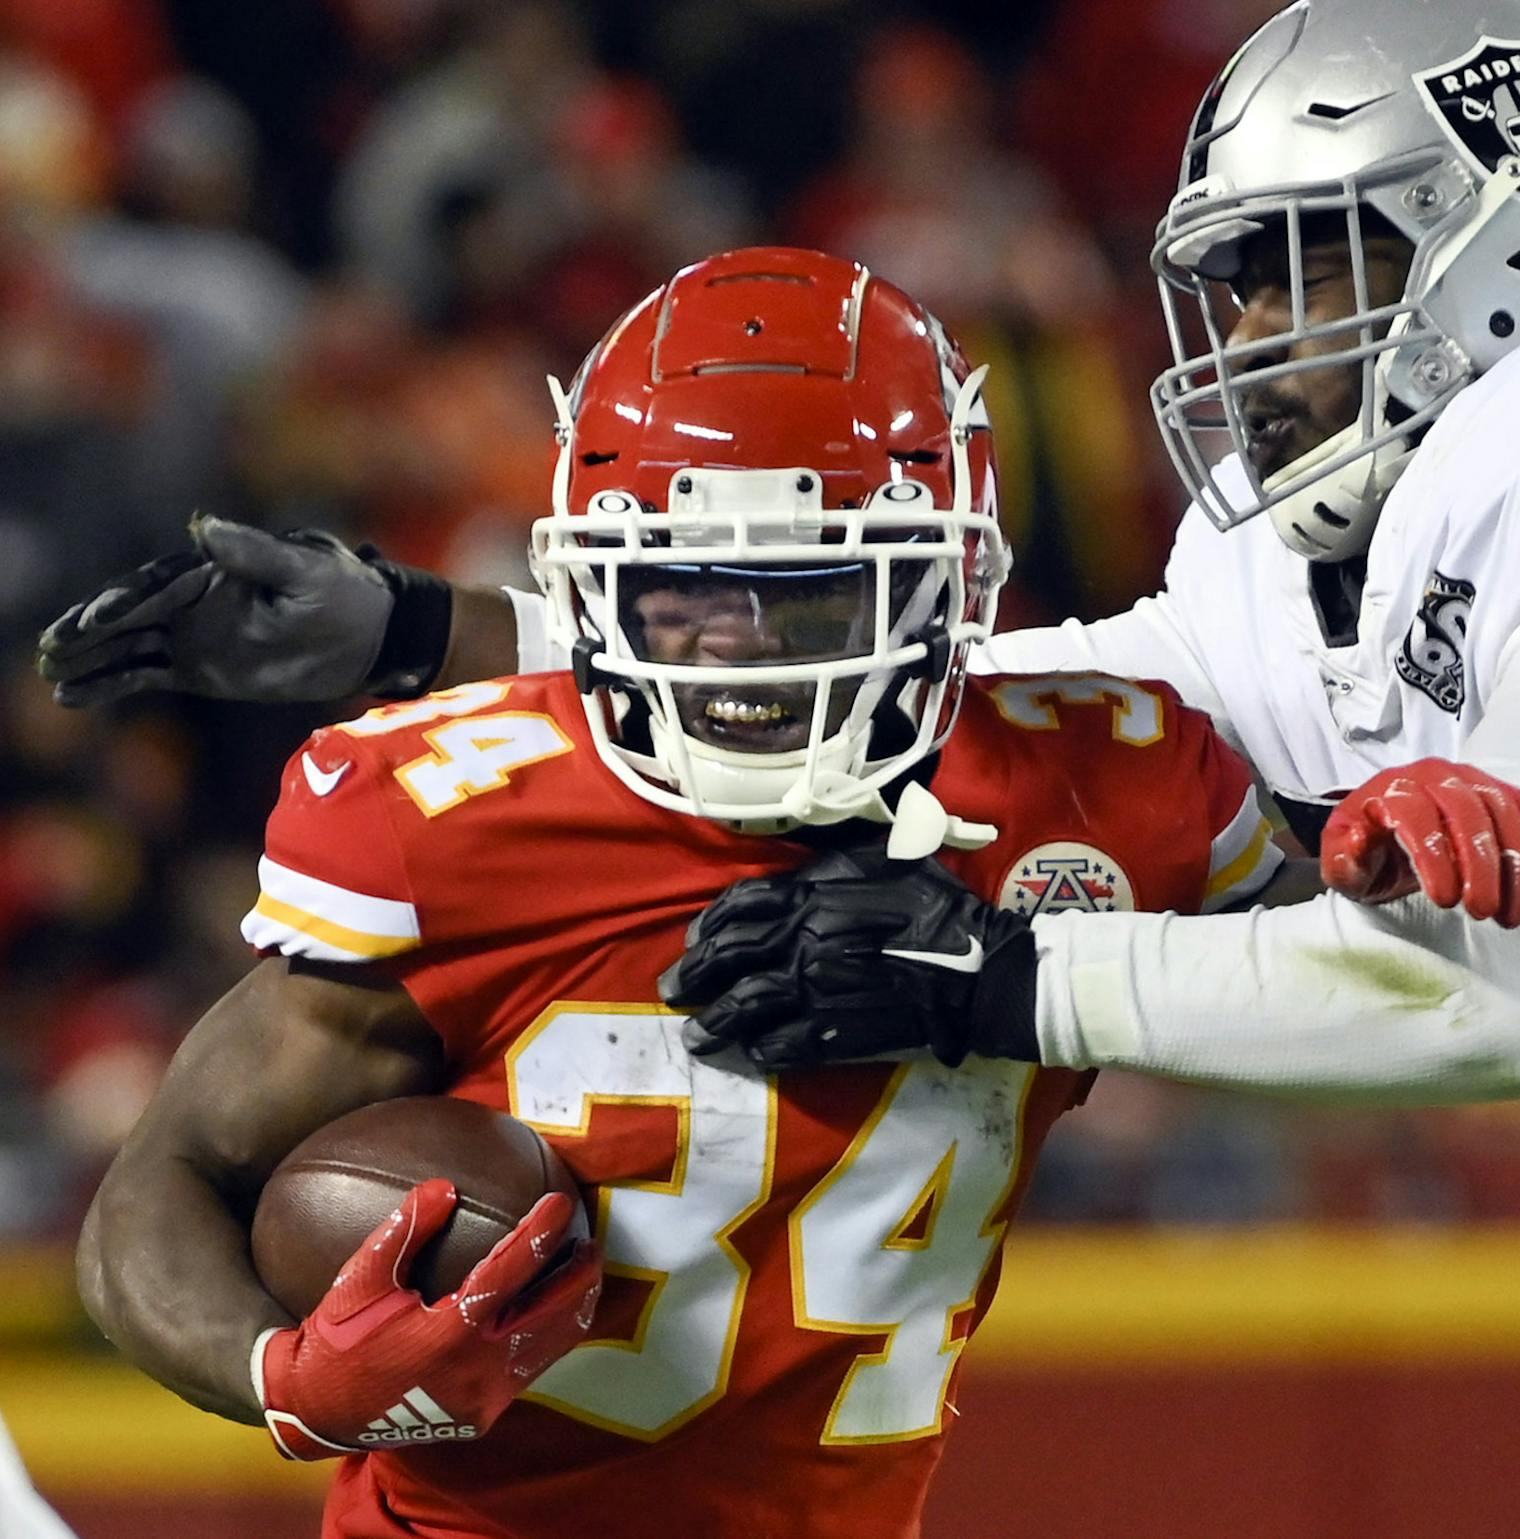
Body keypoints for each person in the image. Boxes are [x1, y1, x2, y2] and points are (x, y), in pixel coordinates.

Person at [34, 4, 1520, 1532]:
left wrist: (1003, 974)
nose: (1254, 334)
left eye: (1314, 263)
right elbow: (945, 669)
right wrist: (436, 628)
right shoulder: (1295, 561)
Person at [72, 248, 1315, 1538]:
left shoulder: (1092, 783)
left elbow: (1369, 1005)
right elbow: (160, 1188)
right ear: (587, 583)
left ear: (954, 586)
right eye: (678, 585)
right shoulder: (448, 818)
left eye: (816, 587)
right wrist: (289, 1382)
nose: (735, 637)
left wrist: (1373, 855)